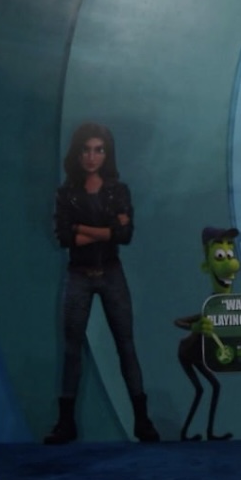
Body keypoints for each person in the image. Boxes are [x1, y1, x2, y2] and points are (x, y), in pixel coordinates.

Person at [44, 122, 159, 444]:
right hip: (79, 275)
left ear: (107, 154)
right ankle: (66, 423)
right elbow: (65, 237)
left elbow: (124, 235)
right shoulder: (66, 193)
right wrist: (105, 230)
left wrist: (81, 227)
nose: (91, 157)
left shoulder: (117, 191)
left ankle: (142, 421)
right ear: (77, 153)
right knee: (72, 350)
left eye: (98, 150)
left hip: (110, 273)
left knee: (126, 346)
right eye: (86, 150)